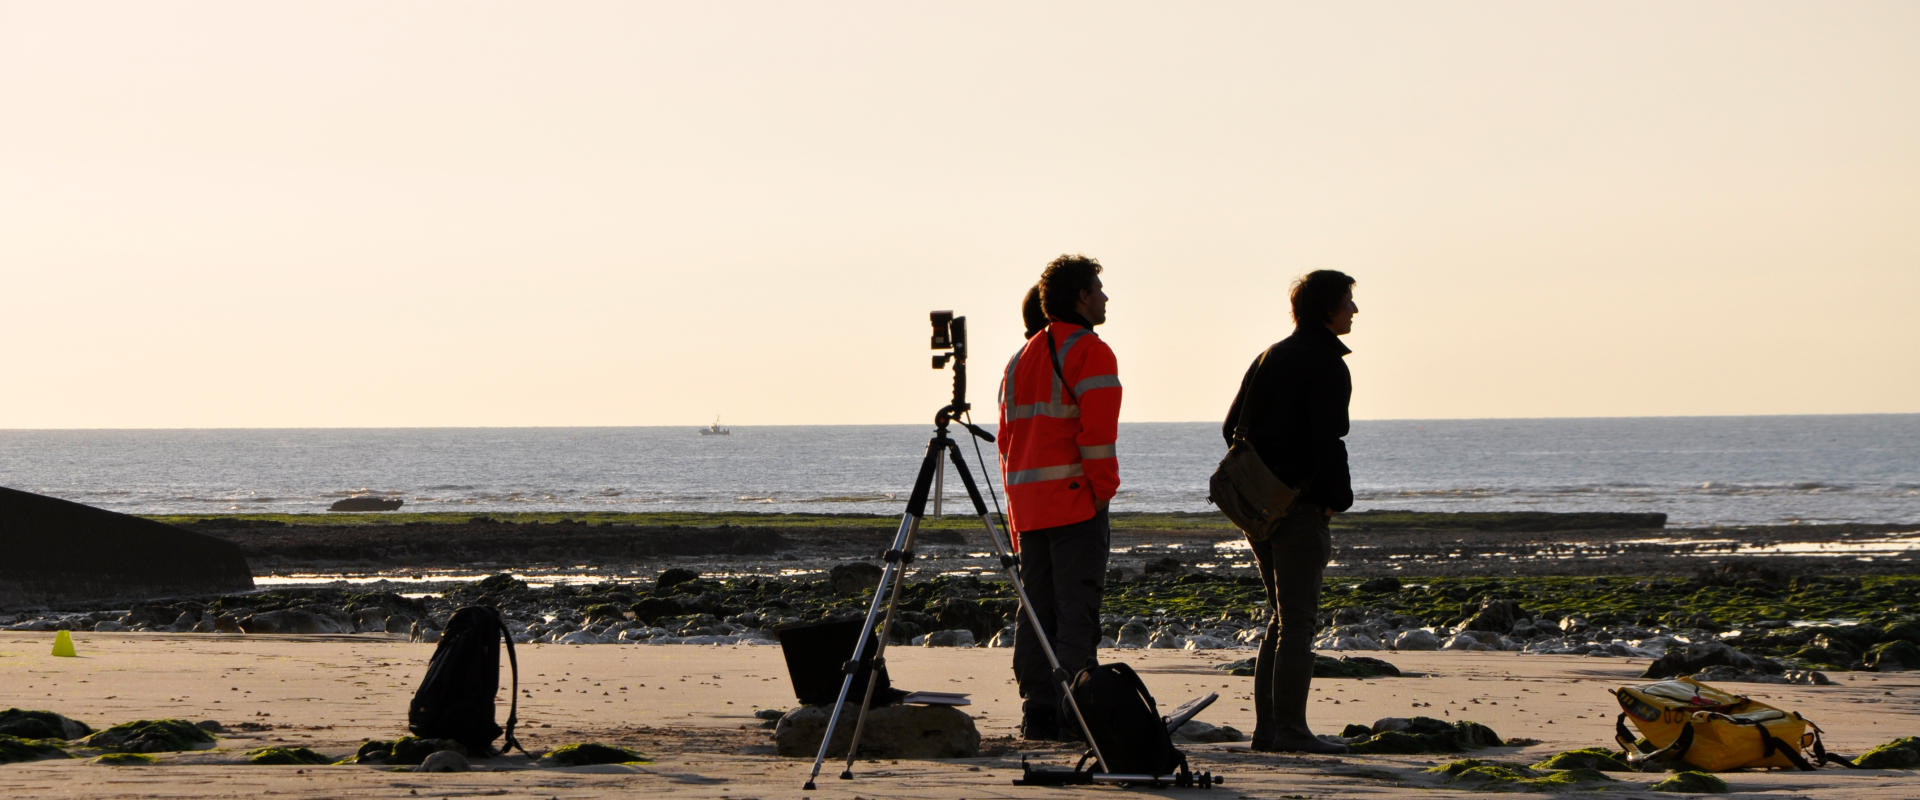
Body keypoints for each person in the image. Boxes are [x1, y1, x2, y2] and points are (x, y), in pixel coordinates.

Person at [1221, 269, 1358, 755]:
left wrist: (1266, 476)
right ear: (1326, 309)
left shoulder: (1269, 356)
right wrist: (1335, 498)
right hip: (1299, 506)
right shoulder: (1327, 363)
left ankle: (1269, 730)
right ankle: (1292, 731)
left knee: (1281, 618)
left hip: (1258, 506)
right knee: (1298, 621)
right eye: (1347, 302)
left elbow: (1230, 427)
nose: (1354, 311)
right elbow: (1328, 441)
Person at [997, 254, 1121, 741]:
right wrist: (1102, 492)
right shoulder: (1090, 350)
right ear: (1082, 297)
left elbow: (1007, 442)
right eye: (1099, 289)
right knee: (1076, 608)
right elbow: (1097, 437)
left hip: (1029, 506)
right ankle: (1075, 707)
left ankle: (1039, 707)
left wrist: (1016, 508)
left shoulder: (1020, 357)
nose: (1106, 298)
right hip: (1072, 502)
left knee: (1036, 608)